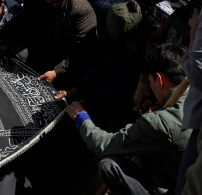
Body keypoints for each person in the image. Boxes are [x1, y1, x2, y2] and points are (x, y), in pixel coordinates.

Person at [65, 44, 190, 195]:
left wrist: (81, 117)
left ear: (159, 79)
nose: (150, 88)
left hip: (178, 187)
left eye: (151, 83)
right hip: (185, 173)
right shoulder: (196, 92)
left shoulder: (159, 123)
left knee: (109, 165)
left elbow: (105, 144)